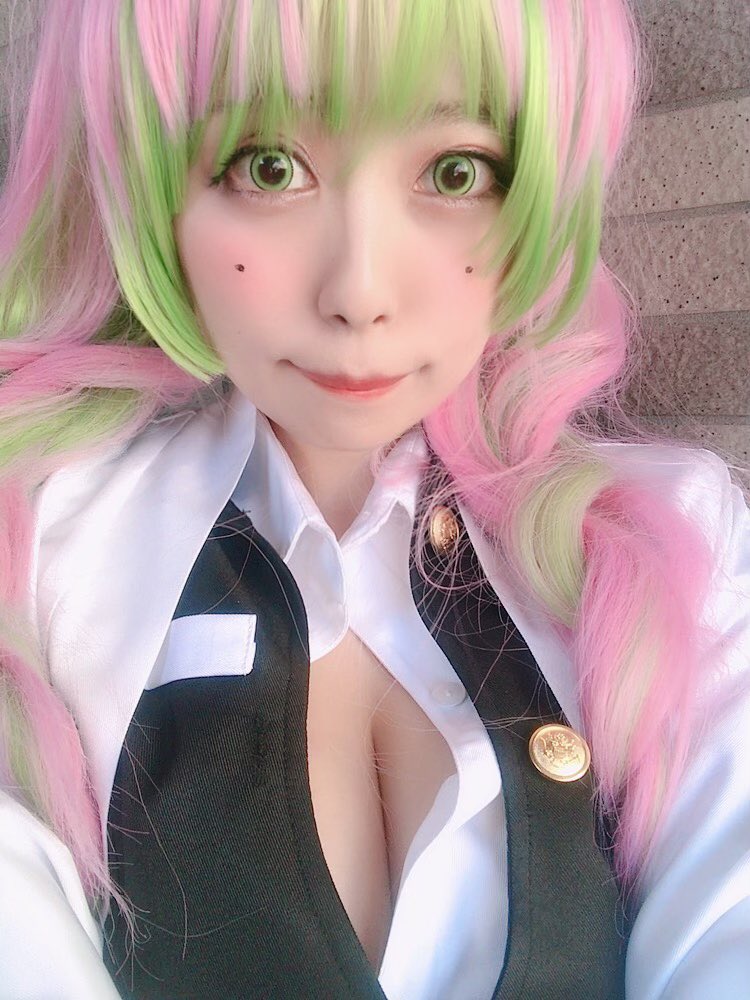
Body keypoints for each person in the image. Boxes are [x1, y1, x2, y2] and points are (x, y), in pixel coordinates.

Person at [0, 1, 748, 997]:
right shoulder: (30, 568)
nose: (359, 292)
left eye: (457, 172)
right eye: (268, 166)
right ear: (149, 189)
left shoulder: (676, 549)